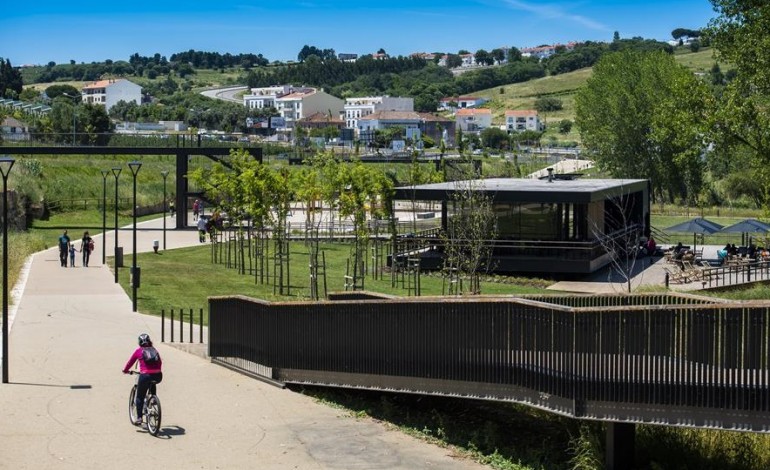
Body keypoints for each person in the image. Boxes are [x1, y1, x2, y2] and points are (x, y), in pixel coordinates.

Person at [122, 333, 163, 426]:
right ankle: (153, 399)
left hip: (145, 375)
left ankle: (139, 417)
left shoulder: (139, 351)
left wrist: (125, 370)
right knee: (152, 383)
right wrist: (156, 371)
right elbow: (160, 362)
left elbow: (130, 362)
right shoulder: (154, 350)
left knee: (140, 397)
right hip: (158, 375)